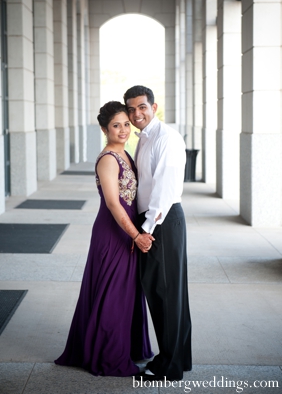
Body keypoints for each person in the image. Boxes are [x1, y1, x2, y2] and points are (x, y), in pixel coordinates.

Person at [55, 101, 154, 376]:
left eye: (125, 123)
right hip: (113, 234)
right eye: (115, 125)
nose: (123, 129)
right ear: (103, 129)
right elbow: (113, 203)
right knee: (112, 294)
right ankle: (108, 356)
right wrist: (136, 235)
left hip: (126, 232)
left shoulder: (126, 154)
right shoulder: (109, 159)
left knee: (125, 293)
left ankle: (124, 346)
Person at [123, 85, 192, 381]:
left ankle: (170, 368)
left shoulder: (167, 138)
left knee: (165, 293)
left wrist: (147, 230)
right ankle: (178, 358)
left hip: (161, 222)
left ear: (154, 106)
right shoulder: (146, 138)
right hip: (156, 221)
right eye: (131, 109)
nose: (136, 113)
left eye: (142, 107)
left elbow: (164, 190)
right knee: (168, 293)